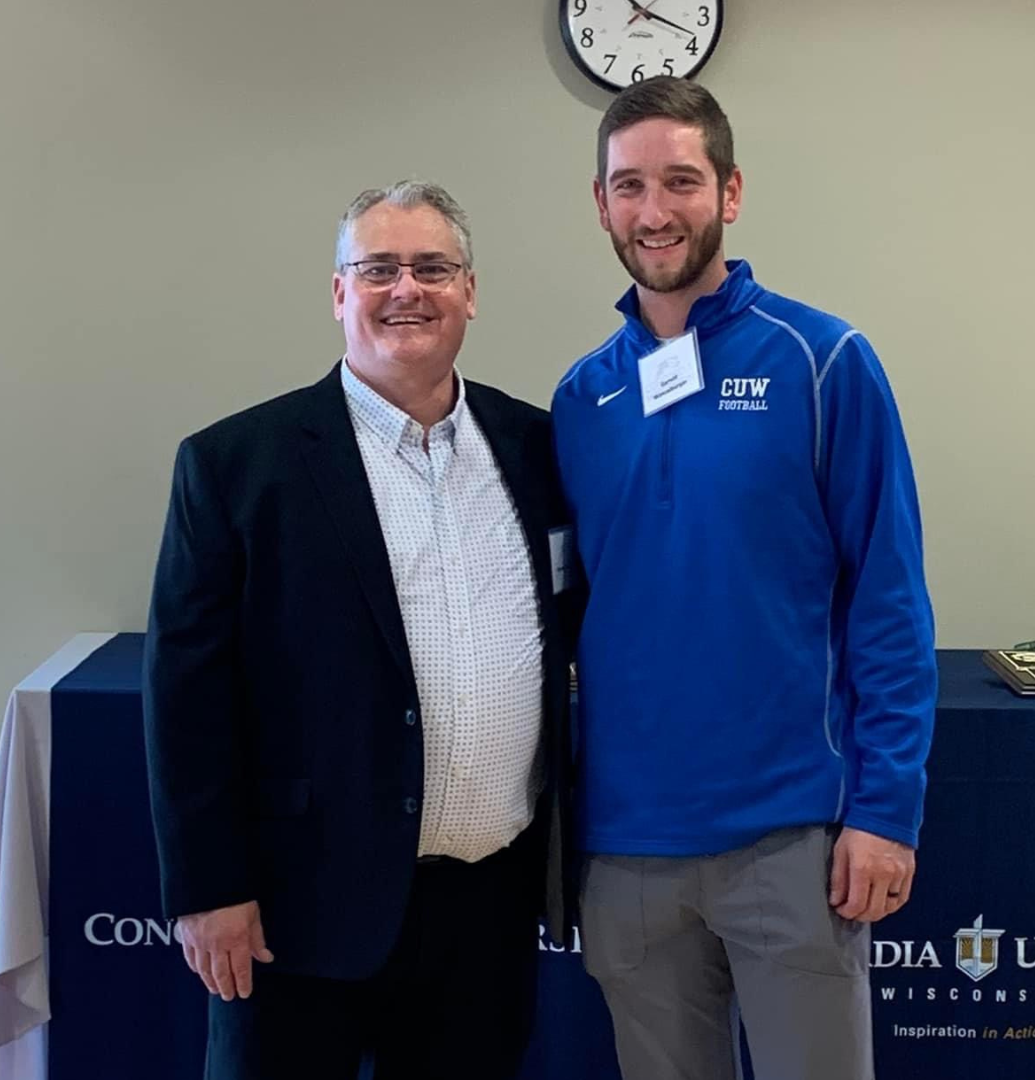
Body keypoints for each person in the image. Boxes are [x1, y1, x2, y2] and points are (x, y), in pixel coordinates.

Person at [142, 180, 577, 1080]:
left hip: (485, 906)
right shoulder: (235, 466)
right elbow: (187, 698)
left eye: (432, 268)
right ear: (339, 293)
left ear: (470, 291)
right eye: (378, 268)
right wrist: (210, 888)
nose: (406, 289)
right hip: (298, 910)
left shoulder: (539, 447)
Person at [551, 76, 938, 1080]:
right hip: (626, 848)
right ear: (600, 204)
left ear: (729, 193)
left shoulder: (825, 361)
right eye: (628, 185)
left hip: (791, 840)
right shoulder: (582, 398)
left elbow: (888, 602)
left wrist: (884, 811)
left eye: (680, 181)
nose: (654, 209)